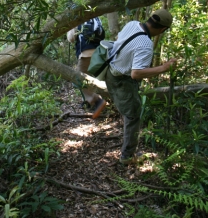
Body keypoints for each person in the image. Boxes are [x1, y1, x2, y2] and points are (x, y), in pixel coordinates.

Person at [105, 9, 177, 164]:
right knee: (133, 116)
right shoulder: (146, 44)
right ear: (163, 29)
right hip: (122, 81)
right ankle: (127, 157)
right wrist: (164, 68)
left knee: (128, 110)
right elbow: (136, 74)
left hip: (110, 72)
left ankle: (127, 149)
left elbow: (119, 39)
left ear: (150, 18)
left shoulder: (132, 24)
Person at [67, 17, 107, 119]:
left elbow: (71, 38)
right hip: (99, 52)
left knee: (78, 79)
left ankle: (97, 100)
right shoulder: (95, 16)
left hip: (86, 52)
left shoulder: (77, 19)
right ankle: (89, 102)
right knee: (94, 77)